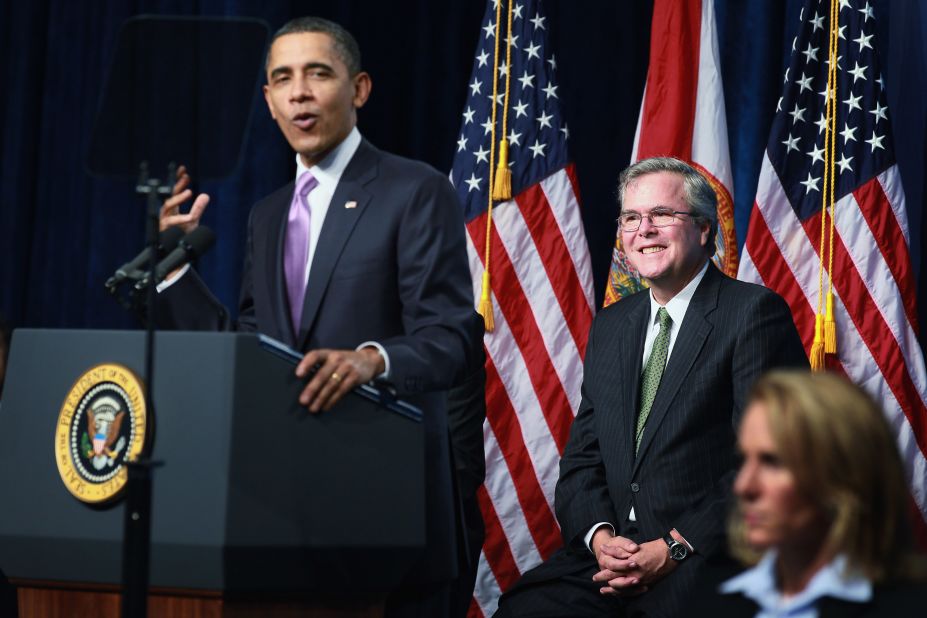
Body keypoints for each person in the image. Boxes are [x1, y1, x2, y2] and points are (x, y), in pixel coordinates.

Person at [156, 16, 477, 616]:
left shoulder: (414, 190)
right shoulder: (268, 214)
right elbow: (252, 351)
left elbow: (451, 339)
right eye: (282, 78)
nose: (299, 91)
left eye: (317, 73)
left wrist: (371, 360)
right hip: (283, 520)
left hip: (390, 520)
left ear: (358, 89)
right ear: (270, 101)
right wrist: (174, 268)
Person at [494, 157, 807, 617]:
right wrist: (602, 541)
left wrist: (674, 548)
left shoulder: (753, 314)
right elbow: (583, 461)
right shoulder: (612, 326)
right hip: (612, 558)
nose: (645, 229)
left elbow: (775, 465)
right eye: (631, 218)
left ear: (703, 229)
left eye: (662, 215)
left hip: (705, 556)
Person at [699, 369, 926, 616]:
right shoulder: (709, 602)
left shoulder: (910, 608)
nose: (743, 486)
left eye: (772, 462)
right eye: (744, 460)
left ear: (843, 475)